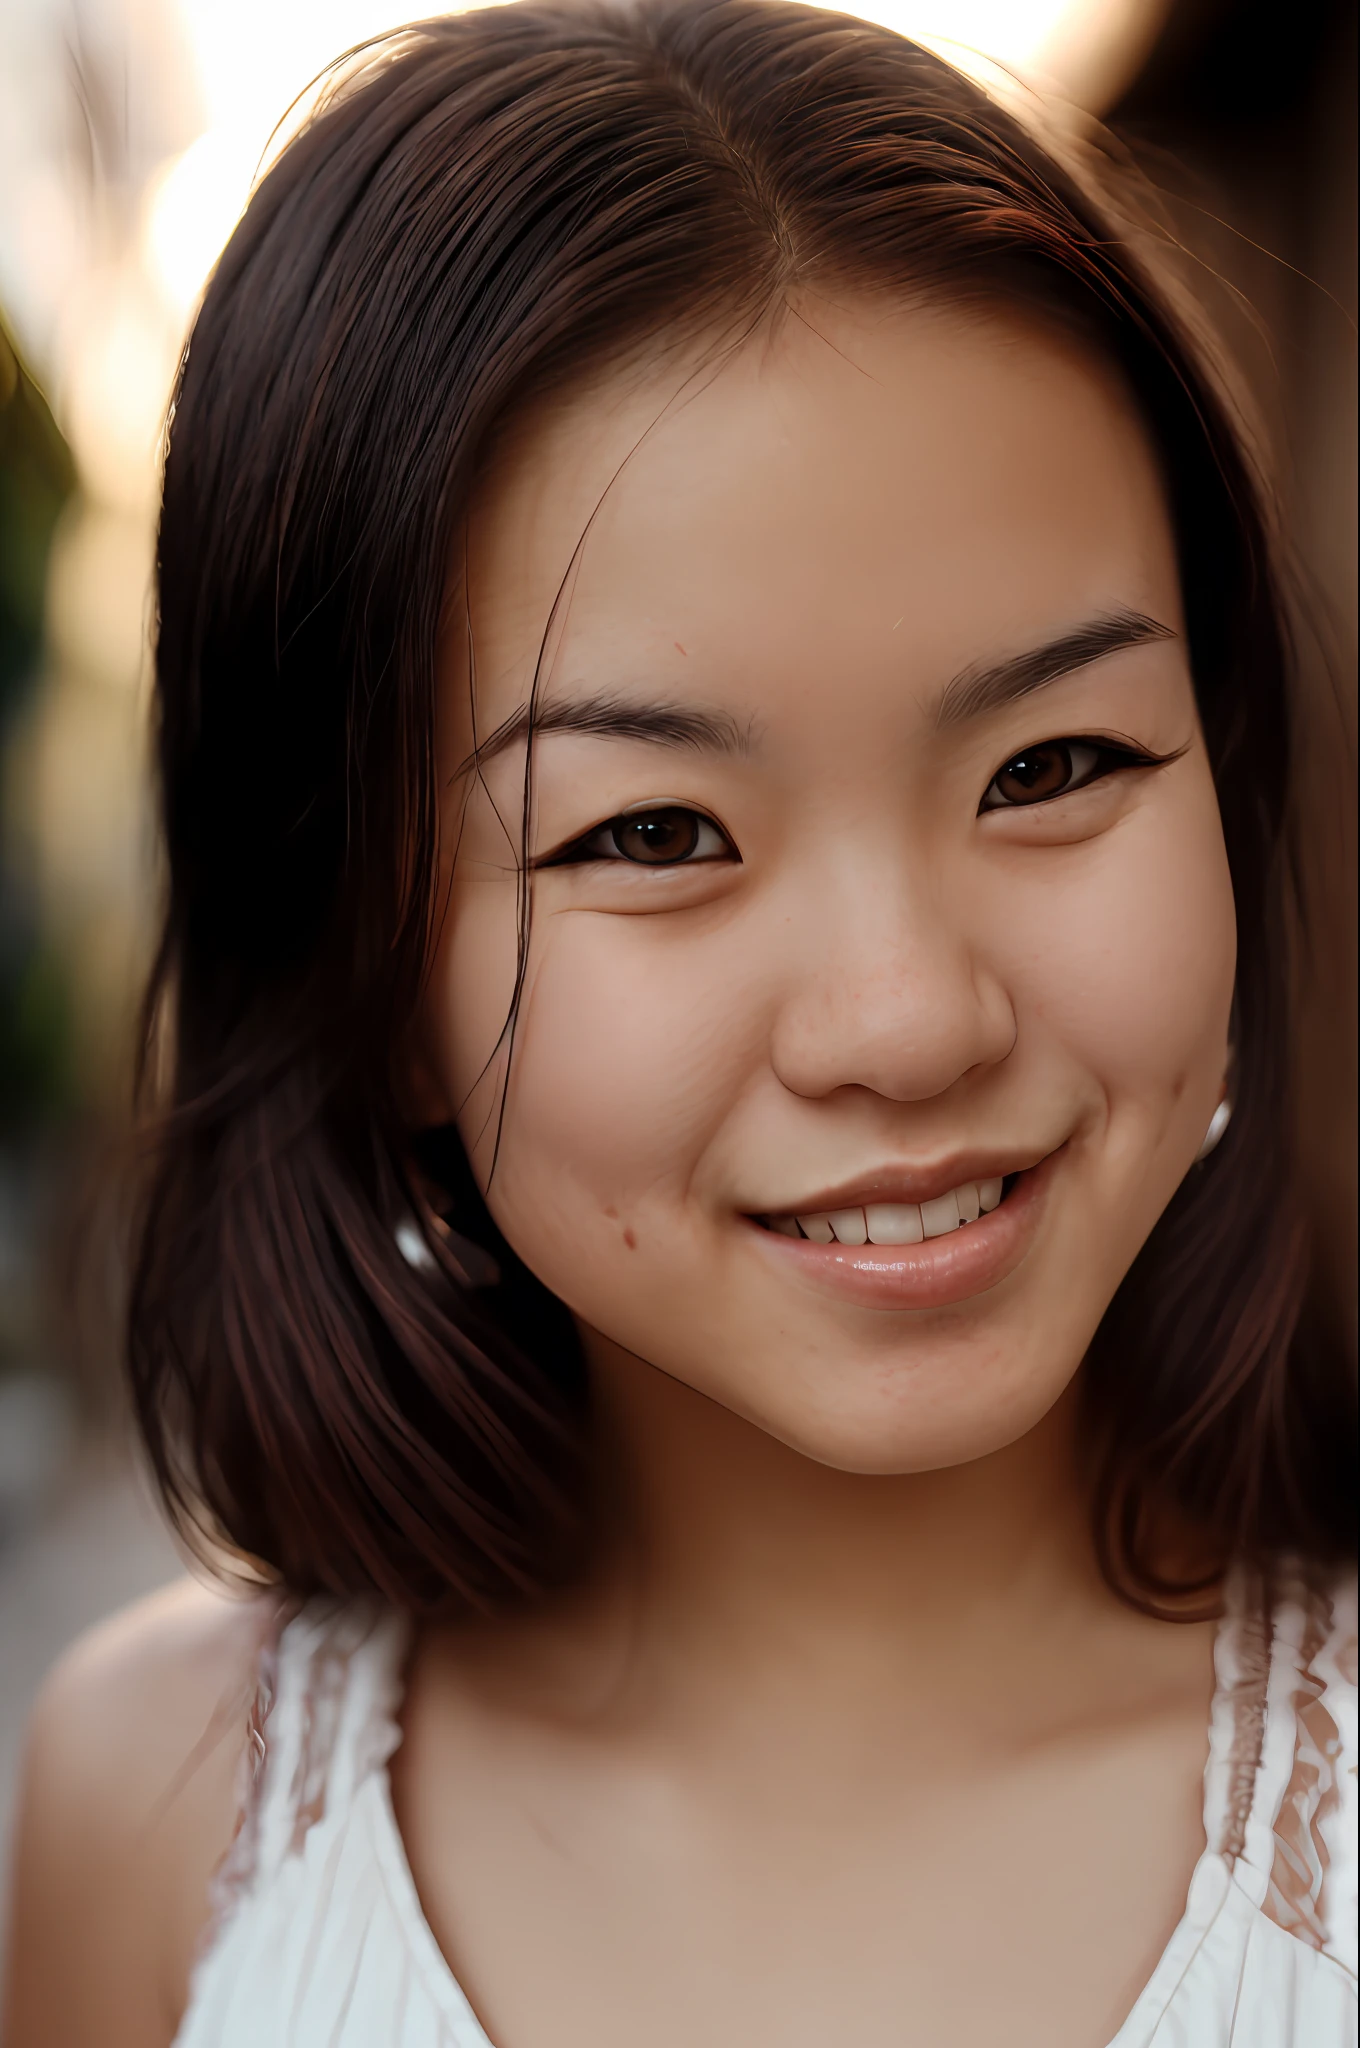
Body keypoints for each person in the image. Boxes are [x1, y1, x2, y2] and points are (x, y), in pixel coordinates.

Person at [2, 2, 1354, 2042]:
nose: (905, 1015)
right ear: (359, 963)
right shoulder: (150, 1826)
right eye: (651, 829)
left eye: (1051, 764)